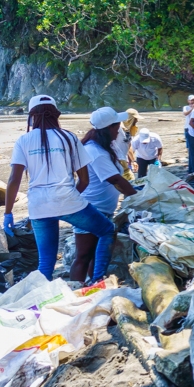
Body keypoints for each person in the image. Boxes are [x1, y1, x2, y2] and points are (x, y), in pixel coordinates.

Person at [2, 95, 116, 281]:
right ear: (56, 115)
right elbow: (84, 180)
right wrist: (69, 197)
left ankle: (41, 300)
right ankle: (97, 279)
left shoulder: (23, 140)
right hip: (69, 201)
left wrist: (8, 212)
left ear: (32, 116)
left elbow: (14, 179)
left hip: (39, 206)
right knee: (106, 230)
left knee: (46, 262)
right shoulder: (68, 137)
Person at [75, 107, 139, 281]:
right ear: (109, 128)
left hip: (102, 209)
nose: (119, 129)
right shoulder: (94, 151)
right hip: (90, 208)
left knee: (93, 255)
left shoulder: (103, 146)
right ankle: (78, 287)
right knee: (83, 255)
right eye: (116, 125)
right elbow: (116, 180)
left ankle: (91, 285)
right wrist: (138, 196)